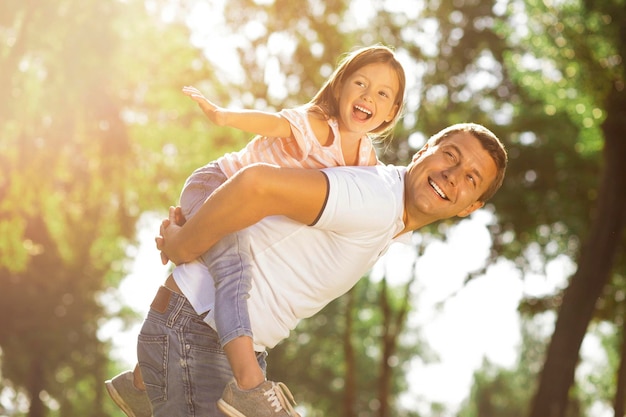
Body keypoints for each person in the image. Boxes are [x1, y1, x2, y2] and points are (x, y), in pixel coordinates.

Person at [105, 43, 407, 417]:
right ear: (341, 85)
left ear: (392, 111)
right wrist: (222, 116)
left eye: (382, 93)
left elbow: (371, 211)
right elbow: (272, 123)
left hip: (244, 215)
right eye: (360, 83)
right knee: (234, 274)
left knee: (225, 270)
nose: (367, 97)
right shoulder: (317, 124)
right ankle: (249, 385)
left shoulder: (366, 164)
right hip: (217, 186)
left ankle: (138, 383)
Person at [135, 122, 507, 417]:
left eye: (471, 178)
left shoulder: (390, 216)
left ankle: (141, 382)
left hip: (213, 340)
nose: (453, 175)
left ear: (469, 207)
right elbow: (256, 184)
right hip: (198, 332)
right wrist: (183, 245)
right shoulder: (376, 198)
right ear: (425, 150)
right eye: (450, 156)